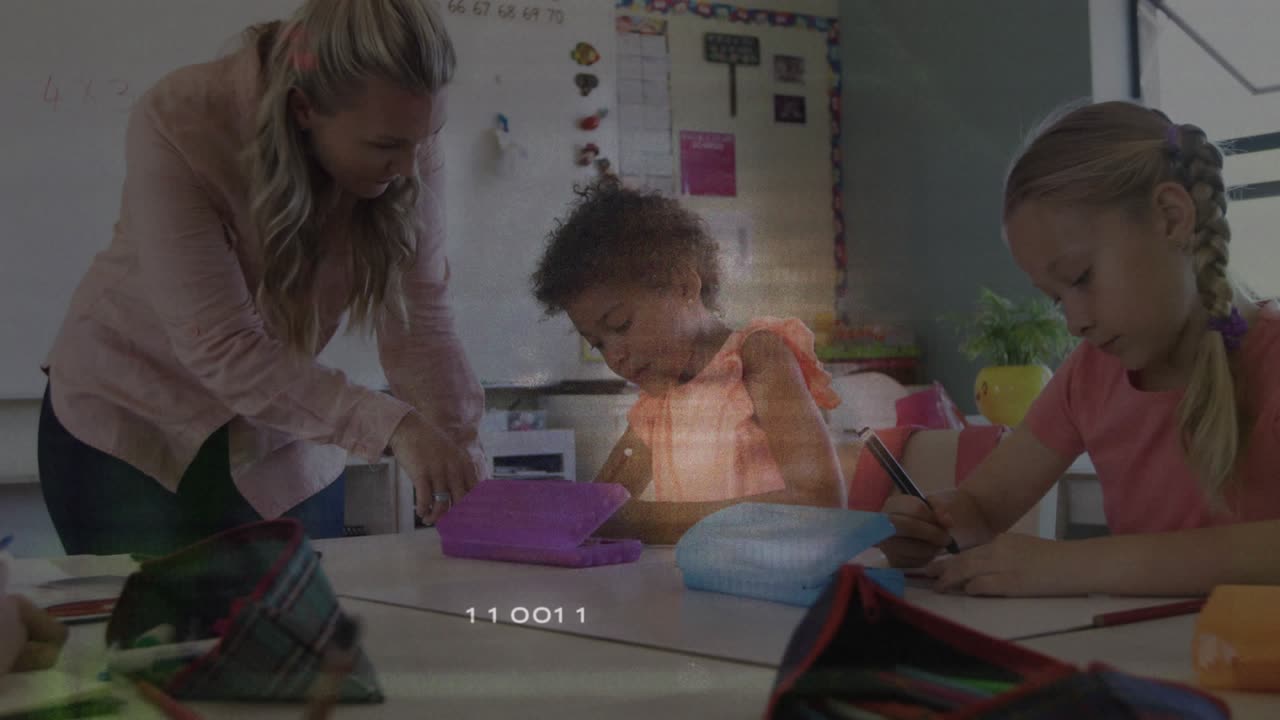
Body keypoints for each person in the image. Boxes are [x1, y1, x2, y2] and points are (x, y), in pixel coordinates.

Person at [39, 0, 484, 556]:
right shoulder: (180, 120)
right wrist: (397, 428)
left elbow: (421, 315)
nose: (411, 170)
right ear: (304, 110)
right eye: (386, 147)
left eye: (427, 138)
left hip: (281, 429)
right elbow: (224, 345)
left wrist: (460, 452)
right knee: (161, 635)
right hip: (129, 421)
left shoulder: (403, 129)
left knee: (302, 625)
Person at [879, 100, 1280, 596]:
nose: (1074, 321)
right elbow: (982, 507)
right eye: (1056, 299)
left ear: (1172, 217)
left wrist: (1077, 564)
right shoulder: (1091, 376)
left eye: (1081, 278)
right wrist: (931, 524)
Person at [531, 179, 847, 544]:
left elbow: (822, 505)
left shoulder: (756, 359)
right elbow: (597, 510)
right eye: (598, 344)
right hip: (690, 593)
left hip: (774, 590)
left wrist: (647, 522)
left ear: (682, 285)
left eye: (621, 325)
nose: (614, 355)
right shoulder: (657, 404)